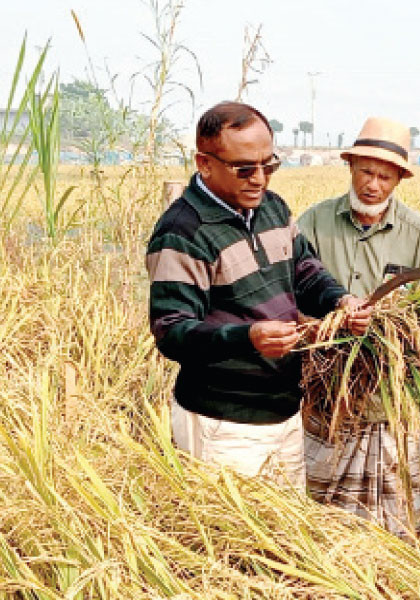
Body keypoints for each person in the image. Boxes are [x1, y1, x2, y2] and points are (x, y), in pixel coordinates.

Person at [146, 101, 370, 488]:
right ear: (204, 164)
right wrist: (247, 339)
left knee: (285, 538)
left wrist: (340, 301)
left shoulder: (271, 208)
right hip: (224, 425)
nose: (260, 179)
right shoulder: (183, 232)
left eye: (269, 165)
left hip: (283, 412)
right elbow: (172, 331)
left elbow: (305, 271)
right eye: (245, 168)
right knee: (228, 541)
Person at [297, 116, 420, 535]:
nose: (373, 184)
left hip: (390, 406)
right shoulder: (311, 225)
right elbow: (286, 296)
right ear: (351, 167)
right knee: (316, 519)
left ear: (399, 179)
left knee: (393, 529)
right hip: (322, 401)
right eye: (366, 170)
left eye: (385, 176)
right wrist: (320, 328)